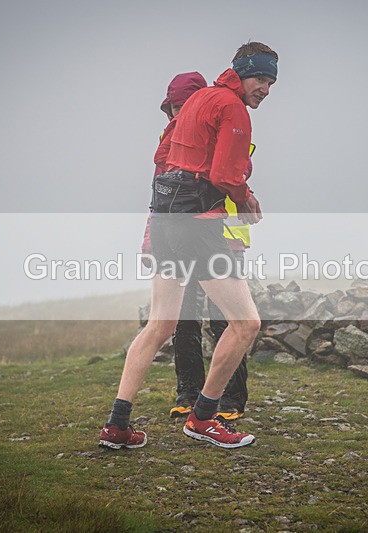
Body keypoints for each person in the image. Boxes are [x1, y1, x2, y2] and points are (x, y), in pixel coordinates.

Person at [100, 41, 278, 450]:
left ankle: (117, 424)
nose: (265, 88)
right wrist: (246, 198)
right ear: (243, 71)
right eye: (261, 78)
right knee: (246, 323)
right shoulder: (232, 108)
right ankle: (203, 418)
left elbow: (163, 155)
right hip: (198, 225)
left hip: (164, 217)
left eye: (271, 82)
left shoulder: (197, 101)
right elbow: (224, 173)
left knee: (160, 325)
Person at [140, 72, 252, 421]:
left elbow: (235, 173)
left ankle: (230, 401)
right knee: (183, 321)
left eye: (182, 107)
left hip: (224, 237)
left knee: (227, 321)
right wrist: (149, 240)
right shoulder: (168, 141)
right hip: (178, 237)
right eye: (172, 108)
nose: (176, 114)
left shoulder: (218, 125)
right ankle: (188, 394)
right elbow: (157, 197)